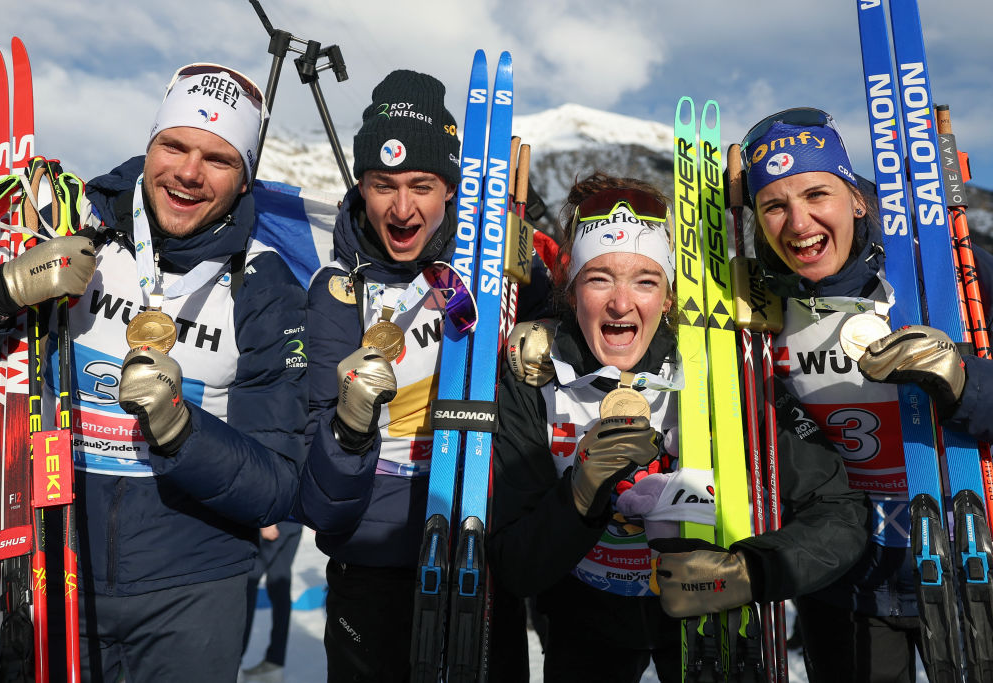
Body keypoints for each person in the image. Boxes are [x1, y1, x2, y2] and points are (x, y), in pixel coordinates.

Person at [0, 63, 308, 682]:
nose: (187, 172)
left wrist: (181, 430)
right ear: (149, 145)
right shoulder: (68, 229)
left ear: (245, 177)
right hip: (51, 564)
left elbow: (279, 486)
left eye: (218, 158)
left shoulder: (266, 288)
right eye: (173, 145)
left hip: (193, 590)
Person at [490, 172, 870, 683]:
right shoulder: (535, 375)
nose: (621, 304)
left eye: (645, 281)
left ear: (668, 297)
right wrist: (579, 493)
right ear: (573, 288)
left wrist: (750, 572)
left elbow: (841, 515)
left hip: (705, 616)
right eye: (599, 278)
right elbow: (515, 567)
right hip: (586, 615)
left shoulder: (722, 373)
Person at [293, 69, 553, 682]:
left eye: (422, 185)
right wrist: (348, 425)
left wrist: (541, 332)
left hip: (477, 547)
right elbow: (317, 474)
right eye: (383, 185)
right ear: (361, 186)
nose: (402, 208)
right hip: (372, 561)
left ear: (450, 189)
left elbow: (572, 332)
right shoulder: (336, 291)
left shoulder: (494, 270)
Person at [737, 107, 993, 682]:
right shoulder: (759, 314)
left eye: (816, 194)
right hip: (847, 587)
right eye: (774, 206)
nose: (798, 222)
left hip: (968, 564)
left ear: (855, 198)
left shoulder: (946, 274)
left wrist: (961, 380)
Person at [240, 522, 304, 683]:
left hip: (277, 520)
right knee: (280, 585)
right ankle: (274, 662)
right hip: (293, 520)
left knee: (248, 583)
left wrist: (267, 521)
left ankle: (235, 662)